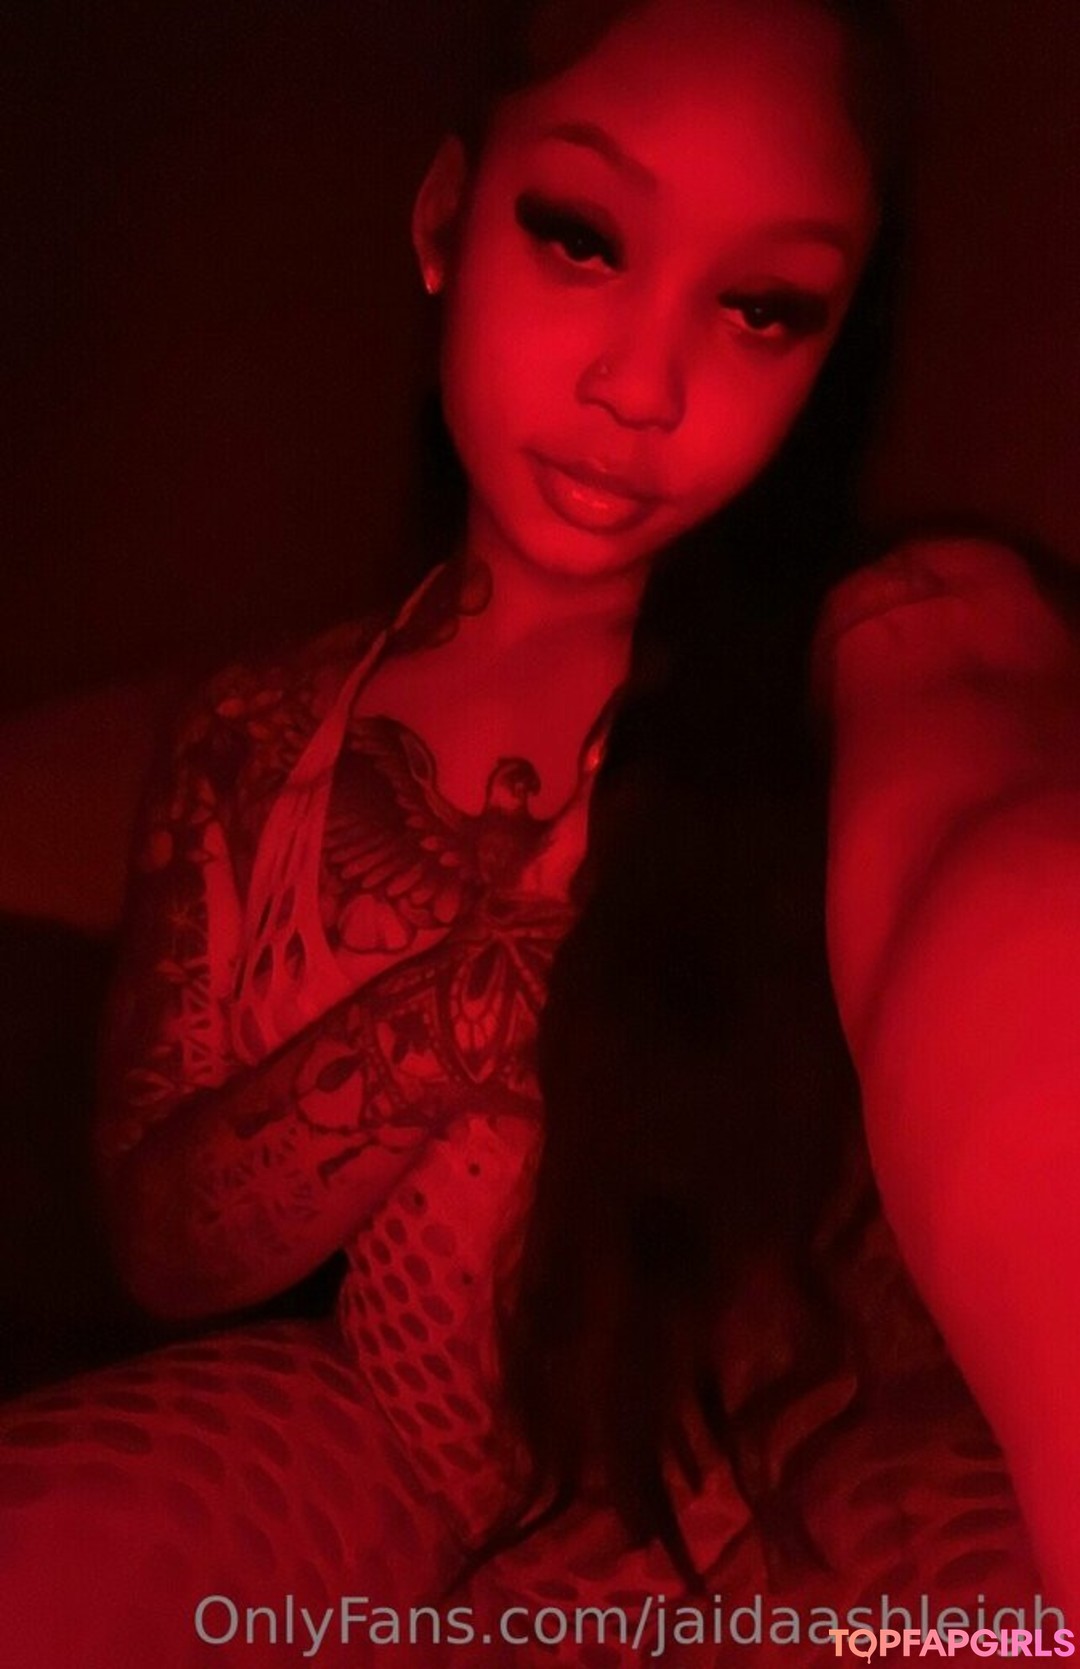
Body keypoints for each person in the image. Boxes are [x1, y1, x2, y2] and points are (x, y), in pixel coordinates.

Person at [1, 0, 1076, 1662]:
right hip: (378, 1459)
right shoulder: (258, 732)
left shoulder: (891, 640)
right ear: (444, 219)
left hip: (812, 1501)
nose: (641, 386)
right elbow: (162, 1236)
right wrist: (467, 1002)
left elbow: (997, 898)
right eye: (581, 237)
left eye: (763, 309)